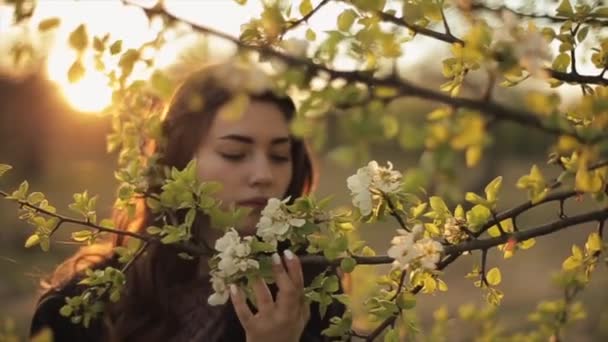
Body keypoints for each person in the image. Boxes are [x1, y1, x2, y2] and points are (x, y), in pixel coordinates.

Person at [29, 61, 346, 342]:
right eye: (234, 154)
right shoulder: (81, 304)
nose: (264, 175)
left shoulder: (306, 287)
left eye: (279, 156)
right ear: (178, 161)